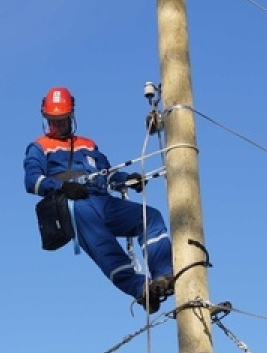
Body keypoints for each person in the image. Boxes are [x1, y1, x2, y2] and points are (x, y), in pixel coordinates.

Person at [23, 86, 174, 313]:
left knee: (149, 216)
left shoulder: (88, 144)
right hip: (74, 204)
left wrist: (127, 180)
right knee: (105, 246)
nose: (58, 125)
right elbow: (32, 180)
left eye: (62, 120)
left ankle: (164, 274)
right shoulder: (39, 147)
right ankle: (141, 289)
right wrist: (63, 186)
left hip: (102, 199)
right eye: (53, 120)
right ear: (45, 117)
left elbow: (107, 173)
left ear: (71, 116)